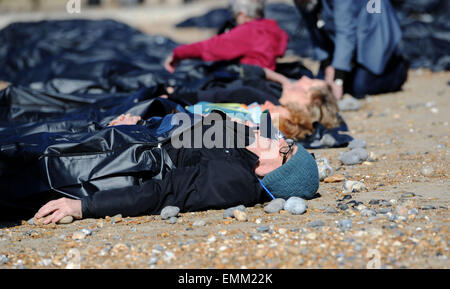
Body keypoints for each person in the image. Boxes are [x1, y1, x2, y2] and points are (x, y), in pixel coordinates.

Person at [33, 112, 319, 224]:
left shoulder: (232, 181)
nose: (279, 139)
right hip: (131, 139)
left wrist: (82, 207)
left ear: (270, 171)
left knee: (24, 158)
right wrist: (143, 124)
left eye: (286, 147)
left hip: (109, 165)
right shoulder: (245, 146)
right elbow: (190, 130)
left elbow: (160, 192)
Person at [294, 0, 408, 99]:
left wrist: (338, 79)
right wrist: (327, 64)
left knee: (360, 87)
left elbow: (346, 32)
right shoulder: (303, 2)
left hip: (372, 27)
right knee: (321, 82)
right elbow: (314, 30)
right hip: (341, 35)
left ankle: (398, 70)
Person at [164, 0, 289, 72]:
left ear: (242, 14)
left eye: (235, 15)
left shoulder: (248, 32)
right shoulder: (273, 28)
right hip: (263, 79)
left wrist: (178, 53)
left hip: (249, 83)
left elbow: (209, 48)